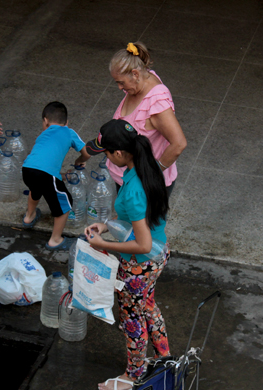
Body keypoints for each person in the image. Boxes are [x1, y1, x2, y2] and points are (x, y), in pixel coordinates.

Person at [83, 119, 170, 390]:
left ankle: (133, 375)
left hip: (139, 265)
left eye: (107, 153)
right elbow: (141, 222)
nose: (107, 158)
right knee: (148, 305)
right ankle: (164, 356)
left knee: (132, 320)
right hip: (160, 253)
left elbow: (142, 245)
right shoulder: (148, 166)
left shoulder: (132, 190)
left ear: (119, 153)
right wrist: (108, 225)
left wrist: (103, 244)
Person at [77, 42, 186, 199]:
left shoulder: (156, 104)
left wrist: (149, 174)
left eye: (121, 82)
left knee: (137, 223)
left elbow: (179, 144)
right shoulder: (143, 79)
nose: (120, 88)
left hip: (142, 186)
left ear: (135, 74)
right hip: (127, 179)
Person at [21, 101, 91, 251]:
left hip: (27, 169)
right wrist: (79, 160)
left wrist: (61, 176)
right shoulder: (69, 131)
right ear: (66, 122)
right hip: (45, 175)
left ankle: (29, 217)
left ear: (45, 121)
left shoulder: (42, 135)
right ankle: (55, 240)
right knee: (65, 203)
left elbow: (42, 164)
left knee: (36, 189)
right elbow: (87, 153)